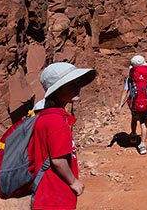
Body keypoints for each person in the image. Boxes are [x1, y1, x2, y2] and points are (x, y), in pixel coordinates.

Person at [29, 62, 96, 210]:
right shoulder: (56, 121)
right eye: (70, 84)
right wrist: (73, 182)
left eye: (77, 83)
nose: (77, 87)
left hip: (44, 193)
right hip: (54, 195)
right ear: (57, 90)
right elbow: (58, 160)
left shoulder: (44, 115)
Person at [117, 55, 147, 155]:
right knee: (143, 123)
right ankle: (142, 144)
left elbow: (125, 91)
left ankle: (134, 135)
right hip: (146, 103)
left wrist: (120, 105)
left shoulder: (131, 77)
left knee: (134, 119)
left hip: (134, 103)